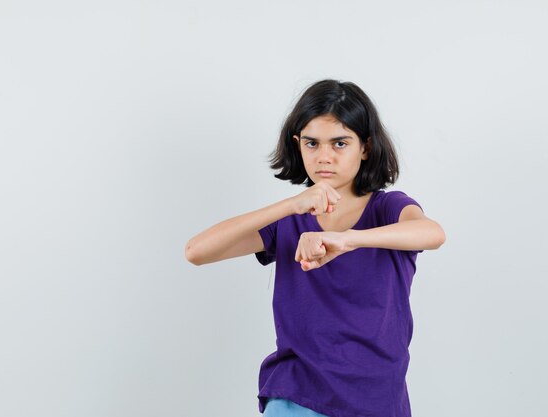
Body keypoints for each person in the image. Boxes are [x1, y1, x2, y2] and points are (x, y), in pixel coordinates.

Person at [185, 79, 446, 417]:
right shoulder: (289, 221)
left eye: (340, 143)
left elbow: (432, 233)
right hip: (297, 396)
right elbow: (197, 251)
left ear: (365, 147)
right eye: (312, 143)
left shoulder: (388, 209)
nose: (324, 157)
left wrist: (348, 239)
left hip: (377, 398)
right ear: (298, 145)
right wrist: (291, 205)